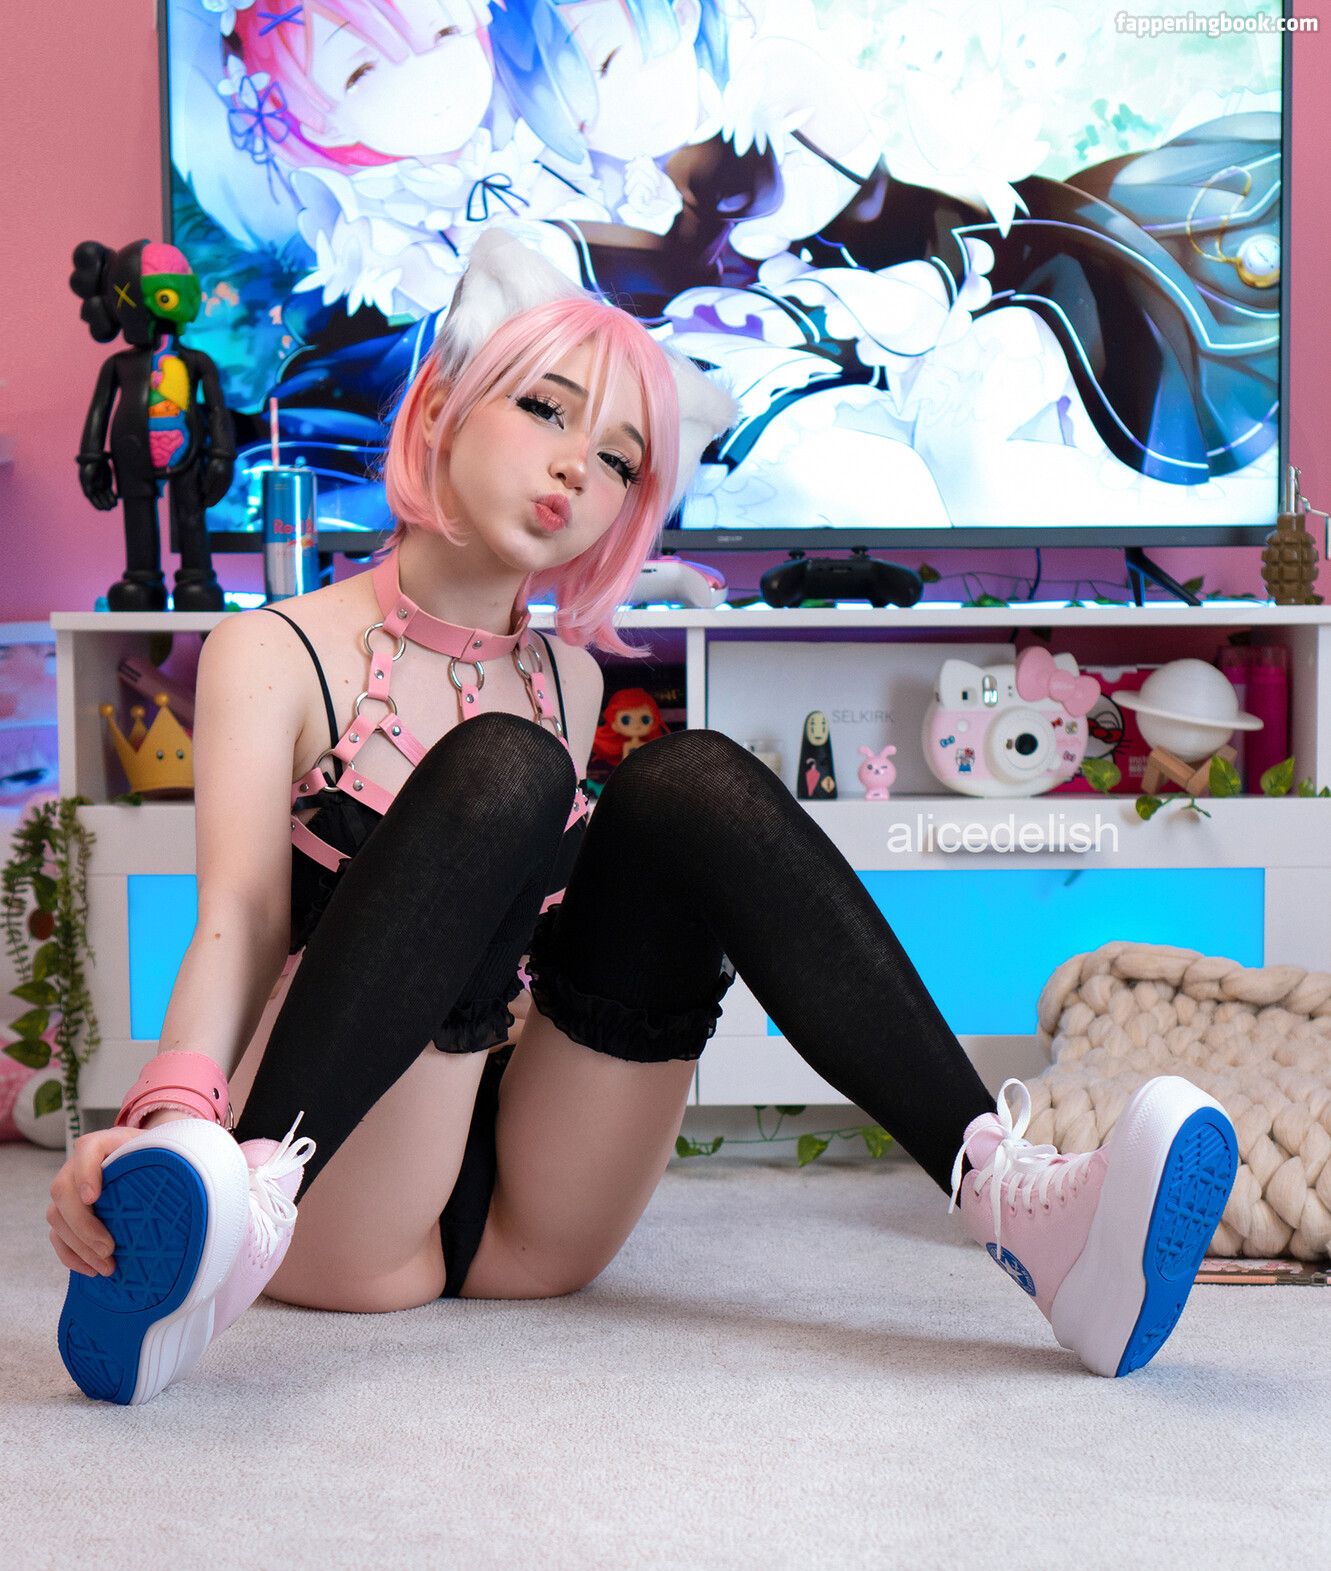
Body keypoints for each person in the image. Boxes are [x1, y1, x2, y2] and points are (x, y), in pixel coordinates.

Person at [47, 231, 1238, 1407]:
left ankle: (1013, 1201)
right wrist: (169, 1123)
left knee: (690, 777)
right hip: (333, 1185)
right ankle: (227, 1213)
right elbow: (241, 919)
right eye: (544, 410)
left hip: (534, 1217)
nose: (577, 469)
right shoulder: (272, 648)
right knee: (504, 767)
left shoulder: (569, 680)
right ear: (443, 407)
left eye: (618, 459)